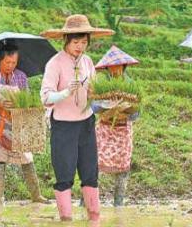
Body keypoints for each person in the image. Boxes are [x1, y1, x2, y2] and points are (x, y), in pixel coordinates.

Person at [40, 14, 114, 223]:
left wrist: (96, 94)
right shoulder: (54, 64)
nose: (80, 47)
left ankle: (94, 217)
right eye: (75, 42)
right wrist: (64, 93)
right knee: (64, 175)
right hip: (63, 125)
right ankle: (66, 219)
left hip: (86, 124)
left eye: (84, 42)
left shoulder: (88, 61)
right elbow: (45, 96)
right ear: (66, 41)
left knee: (90, 173)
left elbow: (94, 91)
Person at [0, 43, 47, 210]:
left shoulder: (21, 77)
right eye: (7, 62)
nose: (10, 66)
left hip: (17, 123)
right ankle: (0, 198)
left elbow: (27, 99)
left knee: (26, 157)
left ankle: (36, 195)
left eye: (14, 63)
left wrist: (21, 105)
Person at [93, 46, 139, 207]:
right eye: (111, 67)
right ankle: (87, 201)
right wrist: (107, 106)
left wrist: (125, 108)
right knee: (94, 165)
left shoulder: (131, 85)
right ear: (106, 68)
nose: (115, 69)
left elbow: (136, 115)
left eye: (118, 66)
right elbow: (93, 108)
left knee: (123, 168)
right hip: (104, 129)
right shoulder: (101, 83)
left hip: (123, 131)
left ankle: (118, 204)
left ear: (124, 66)